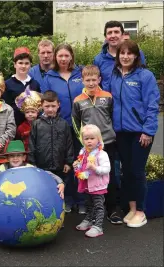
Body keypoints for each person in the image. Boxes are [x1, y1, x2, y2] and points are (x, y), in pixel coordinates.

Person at [109, 40, 160, 228]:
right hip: (121, 132)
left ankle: (141, 211)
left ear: (136, 56)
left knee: (137, 172)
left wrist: (148, 130)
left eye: (129, 53)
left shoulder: (145, 76)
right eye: (122, 53)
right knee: (127, 171)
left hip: (140, 133)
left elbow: (152, 105)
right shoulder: (114, 75)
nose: (125, 56)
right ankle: (131, 209)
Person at [72, 65, 122, 225]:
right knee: (91, 178)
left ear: (99, 79)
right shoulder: (78, 100)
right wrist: (84, 143)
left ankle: (112, 209)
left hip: (108, 143)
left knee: (110, 175)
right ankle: (93, 210)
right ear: (82, 80)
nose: (91, 83)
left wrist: (113, 134)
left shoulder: (107, 96)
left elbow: (114, 117)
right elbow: (75, 123)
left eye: (94, 79)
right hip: (89, 147)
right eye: (88, 80)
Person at [43, 44, 85, 213]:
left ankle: (82, 199)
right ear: (55, 57)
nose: (63, 59)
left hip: (81, 127)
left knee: (81, 164)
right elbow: (47, 100)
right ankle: (67, 198)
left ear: (71, 57)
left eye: (66, 55)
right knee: (65, 165)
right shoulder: (49, 76)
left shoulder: (79, 74)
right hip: (60, 126)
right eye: (60, 55)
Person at [0, 140, 65, 202]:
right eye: (12, 156)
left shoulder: (29, 167)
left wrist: (60, 182)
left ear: (24, 157)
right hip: (9, 197)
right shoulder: (3, 167)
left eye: (18, 155)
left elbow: (45, 173)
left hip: (26, 197)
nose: (15, 158)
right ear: (7, 158)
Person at [28, 91, 72, 204]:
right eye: (47, 106)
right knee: (44, 190)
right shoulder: (36, 124)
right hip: (42, 165)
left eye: (53, 106)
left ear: (58, 105)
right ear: (42, 106)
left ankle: (62, 207)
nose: (50, 109)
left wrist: (68, 162)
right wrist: (32, 164)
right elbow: (31, 144)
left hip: (60, 165)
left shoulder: (64, 124)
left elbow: (69, 144)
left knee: (60, 187)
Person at [74, 124, 110, 238]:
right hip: (86, 184)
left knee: (98, 205)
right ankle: (89, 220)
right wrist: (76, 166)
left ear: (98, 139)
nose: (89, 141)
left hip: (98, 185)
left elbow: (107, 169)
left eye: (92, 138)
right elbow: (81, 166)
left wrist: (95, 168)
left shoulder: (101, 154)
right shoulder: (83, 152)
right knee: (88, 204)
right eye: (86, 139)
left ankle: (98, 226)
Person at [94, 21, 146, 91]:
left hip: (131, 100)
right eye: (109, 33)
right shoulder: (98, 59)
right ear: (105, 37)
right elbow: (97, 83)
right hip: (107, 100)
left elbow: (143, 78)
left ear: (122, 35)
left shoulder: (136, 54)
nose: (113, 35)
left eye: (116, 32)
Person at [3, 47, 41, 127]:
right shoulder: (7, 84)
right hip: (14, 126)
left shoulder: (35, 84)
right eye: (20, 63)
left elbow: (39, 106)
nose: (23, 66)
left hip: (34, 126)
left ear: (30, 65)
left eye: (26, 63)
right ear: (14, 65)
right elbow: (6, 107)